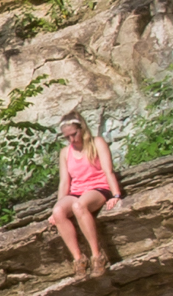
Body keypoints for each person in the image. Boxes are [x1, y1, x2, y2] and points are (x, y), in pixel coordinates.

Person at [46, 110, 120, 278]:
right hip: (76, 191)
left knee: (79, 206)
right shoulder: (65, 152)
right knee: (59, 212)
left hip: (98, 188)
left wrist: (116, 195)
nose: (72, 139)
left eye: (74, 134)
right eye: (67, 137)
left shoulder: (97, 143)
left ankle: (97, 255)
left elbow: (108, 170)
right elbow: (65, 181)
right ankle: (79, 259)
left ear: (82, 128)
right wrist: (57, 208)